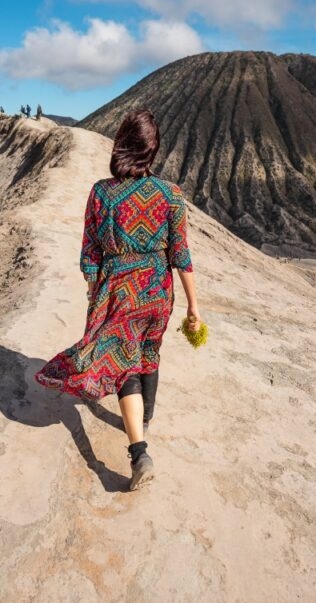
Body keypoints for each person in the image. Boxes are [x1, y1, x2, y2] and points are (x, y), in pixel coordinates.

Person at [34, 108, 202, 491]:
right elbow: (182, 255)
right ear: (152, 150)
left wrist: (96, 295)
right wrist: (193, 306)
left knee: (123, 364)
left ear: (121, 146)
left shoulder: (101, 192)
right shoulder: (171, 195)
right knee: (147, 352)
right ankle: (144, 417)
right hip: (158, 291)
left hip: (117, 292)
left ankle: (139, 451)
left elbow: (89, 253)